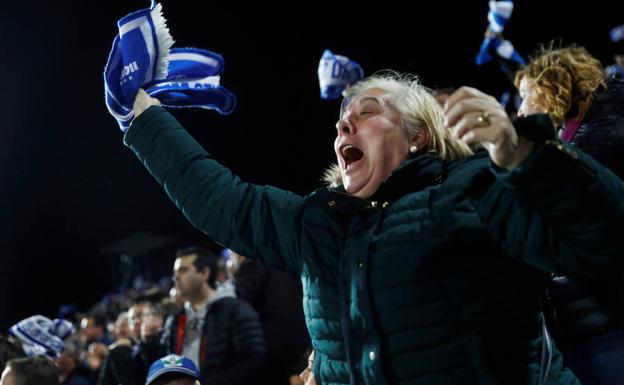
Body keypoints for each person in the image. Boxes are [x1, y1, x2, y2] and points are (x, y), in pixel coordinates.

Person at [120, 71, 624, 385]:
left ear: (419, 135)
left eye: (368, 112)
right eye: (341, 119)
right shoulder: (318, 221)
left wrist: (526, 157)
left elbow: (604, 240)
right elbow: (220, 198)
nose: (343, 125)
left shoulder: (477, 186)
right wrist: (139, 114)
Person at [515, 44, 624, 385]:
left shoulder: (600, 139)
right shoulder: (576, 134)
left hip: (610, 321)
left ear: (552, 88)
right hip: (588, 319)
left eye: (524, 96)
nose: (520, 111)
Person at [226, 250, 310, 385]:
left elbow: (237, 303)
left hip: (269, 355)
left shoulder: (252, 264)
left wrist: (235, 274)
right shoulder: (284, 261)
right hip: (293, 350)